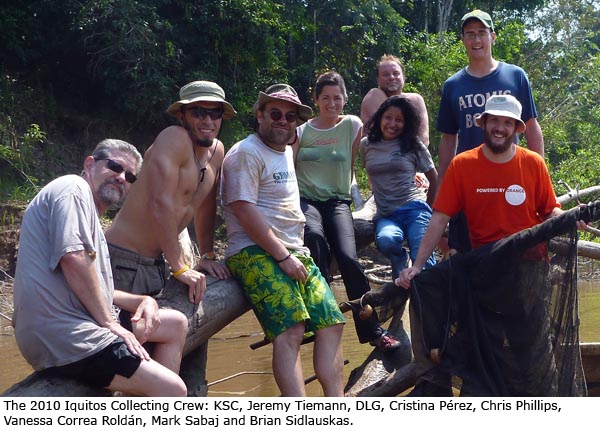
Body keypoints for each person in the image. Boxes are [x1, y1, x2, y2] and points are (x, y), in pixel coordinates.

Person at [396, 95, 568, 396]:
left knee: (532, 350)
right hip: (483, 272)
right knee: (481, 349)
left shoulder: (533, 163)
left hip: (529, 271)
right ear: (484, 124)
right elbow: (439, 218)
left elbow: (549, 210)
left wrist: (566, 218)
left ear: (516, 128)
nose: (500, 128)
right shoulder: (464, 165)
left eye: (507, 123)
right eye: (495, 121)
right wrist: (418, 266)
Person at [13, 139, 187, 396]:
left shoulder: (89, 213)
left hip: (80, 324)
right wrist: (110, 323)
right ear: (89, 163)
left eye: (129, 176)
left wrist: (142, 299)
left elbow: (95, 284)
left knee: (175, 323)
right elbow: (74, 259)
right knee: (174, 390)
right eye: (115, 166)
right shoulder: (73, 189)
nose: (121, 177)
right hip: (64, 335)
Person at [222, 84, 345, 396]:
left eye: (290, 116)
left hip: (294, 250)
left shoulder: (286, 151)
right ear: (260, 115)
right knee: (291, 330)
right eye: (275, 113)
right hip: (254, 251)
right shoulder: (246, 152)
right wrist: (282, 257)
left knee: (332, 321)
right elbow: (242, 208)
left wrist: (291, 254)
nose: (283, 120)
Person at [293, 71, 400, 352]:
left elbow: (363, 160)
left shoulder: (352, 125)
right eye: (325, 98)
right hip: (306, 201)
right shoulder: (301, 132)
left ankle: (373, 329)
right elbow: (287, 170)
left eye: (337, 98)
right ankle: (321, 316)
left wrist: (412, 174)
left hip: (338, 201)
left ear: (345, 99)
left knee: (349, 259)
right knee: (314, 238)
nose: (332, 103)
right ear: (316, 100)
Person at [105, 81, 236, 310]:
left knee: (156, 337)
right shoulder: (173, 138)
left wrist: (206, 255)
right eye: (198, 112)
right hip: (122, 261)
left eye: (215, 113)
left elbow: (205, 205)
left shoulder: (217, 151)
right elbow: (160, 203)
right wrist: (180, 267)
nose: (208, 121)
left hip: (156, 263)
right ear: (182, 116)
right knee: (121, 341)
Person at [437, 9, 545, 253]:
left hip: (511, 181)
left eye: (482, 33)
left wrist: (540, 176)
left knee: (517, 254)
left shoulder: (515, 76)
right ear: (463, 40)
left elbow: (531, 127)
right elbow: (448, 138)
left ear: (492, 37)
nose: (477, 40)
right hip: (469, 182)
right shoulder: (453, 85)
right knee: (465, 254)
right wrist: (442, 185)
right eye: (470, 34)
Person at [361, 95, 438, 279]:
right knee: (386, 241)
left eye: (399, 120)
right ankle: (400, 263)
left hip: (414, 209)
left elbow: (434, 179)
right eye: (388, 118)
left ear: (406, 123)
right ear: (380, 118)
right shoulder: (367, 145)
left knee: (423, 259)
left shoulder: (412, 144)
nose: (392, 124)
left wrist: (430, 209)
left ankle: (428, 300)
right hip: (386, 214)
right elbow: (371, 172)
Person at [360, 54, 429, 146]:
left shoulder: (415, 100)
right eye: (385, 75)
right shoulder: (373, 96)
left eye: (396, 73)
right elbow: (385, 135)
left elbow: (424, 137)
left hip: (413, 155)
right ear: (378, 80)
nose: (391, 77)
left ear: (404, 77)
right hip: (381, 155)